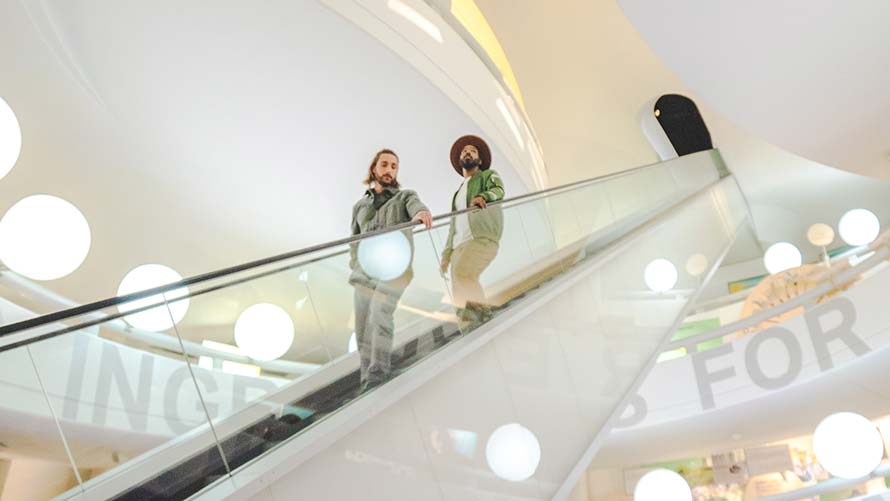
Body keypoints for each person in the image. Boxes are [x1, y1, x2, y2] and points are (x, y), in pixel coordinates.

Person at [350, 148, 432, 391]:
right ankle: (366, 378)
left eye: (394, 166)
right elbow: (353, 239)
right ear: (374, 168)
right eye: (384, 165)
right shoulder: (359, 206)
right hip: (364, 272)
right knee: (362, 327)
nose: (389, 170)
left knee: (379, 312)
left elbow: (416, 206)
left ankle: (378, 374)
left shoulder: (404, 196)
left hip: (395, 269)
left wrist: (421, 212)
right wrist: (355, 266)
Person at [439, 135, 504, 332]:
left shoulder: (487, 176)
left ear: (480, 160)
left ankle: (483, 316)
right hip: (459, 244)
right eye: (464, 152)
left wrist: (483, 196)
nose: (467, 153)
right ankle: (468, 328)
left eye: (472, 151)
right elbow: (453, 226)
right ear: (460, 161)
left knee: (463, 274)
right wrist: (446, 255)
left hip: (481, 237)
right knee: (457, 288)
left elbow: (498, 190)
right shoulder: (458, 193)